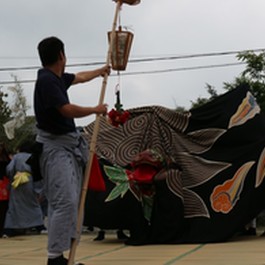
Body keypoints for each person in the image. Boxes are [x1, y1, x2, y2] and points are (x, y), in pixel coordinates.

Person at [34, 36, 110, 265]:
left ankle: (65, 256)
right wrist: (94, 109)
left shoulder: (56, 78)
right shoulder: (47, 81)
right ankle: (55, 258)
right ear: (61, 56)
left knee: (73, 201)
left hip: (67, 146)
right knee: (63, 200)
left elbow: (79, 77)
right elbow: (66, 109)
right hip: (56, 148)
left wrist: (102, 71)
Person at [2, 141, 45, 237]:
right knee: (33, 204)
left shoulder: (17, 157)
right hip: (29, 182)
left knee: (14, 205)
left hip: (17, 182)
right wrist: (39, 189)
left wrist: (12, 177)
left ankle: (8, 230)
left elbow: (9, 169)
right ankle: (39, 226)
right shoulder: (33, 156)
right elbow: (38, 172)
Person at [0, 143, 11, 236]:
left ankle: (3, 229)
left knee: (4, 208)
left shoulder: (6, 159)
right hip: (3, 185)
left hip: (4, 186)